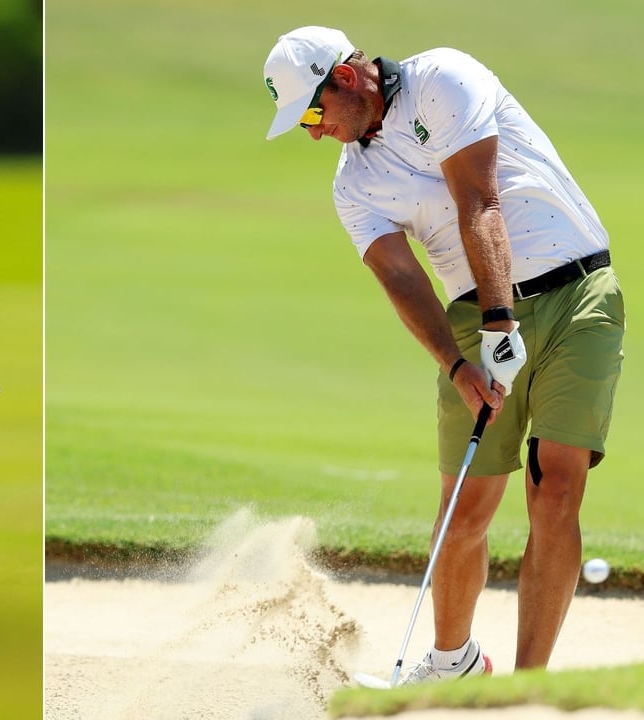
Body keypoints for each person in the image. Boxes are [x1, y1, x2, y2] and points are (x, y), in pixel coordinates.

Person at [263, 27, 624, 682]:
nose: (312, 132)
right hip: (472, 322)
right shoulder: (354, 185)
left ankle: (524, 686)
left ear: (345, 79)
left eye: (312, 113)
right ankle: (454, 661)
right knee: (465, 510)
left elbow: (478, 202)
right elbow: (402, 280)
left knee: (556, 488)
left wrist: (500, 323)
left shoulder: (443, 79)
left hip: (577, 292)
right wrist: (459, 367)